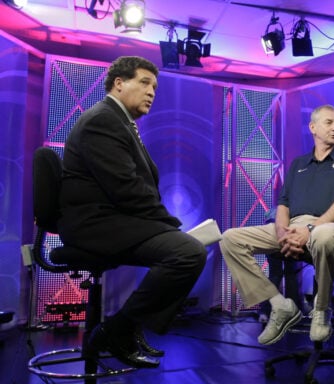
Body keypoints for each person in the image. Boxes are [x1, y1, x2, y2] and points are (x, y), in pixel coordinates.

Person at [58, 56, 207, 368]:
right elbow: (126, 188)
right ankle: (118, 331)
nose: (152, 91)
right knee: (187, 252)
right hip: (94, 226)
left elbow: (134, 188)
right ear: (119, 83)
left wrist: (166, 225)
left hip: (112, 220)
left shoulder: (121, 122)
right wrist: (168, 224)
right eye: (144, 82)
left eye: (154, 86)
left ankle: (129, 328)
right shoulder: (103, 120)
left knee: (186, 249)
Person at [220, 105, 334, 345]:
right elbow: (283, 204)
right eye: (329, 122)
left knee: (325, 234)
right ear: (313, 127)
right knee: (230, 238)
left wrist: (308, 230)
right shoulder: (299, 164)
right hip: (292, 226)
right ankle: (279, 304)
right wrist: (282, 233)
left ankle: (321, 310)